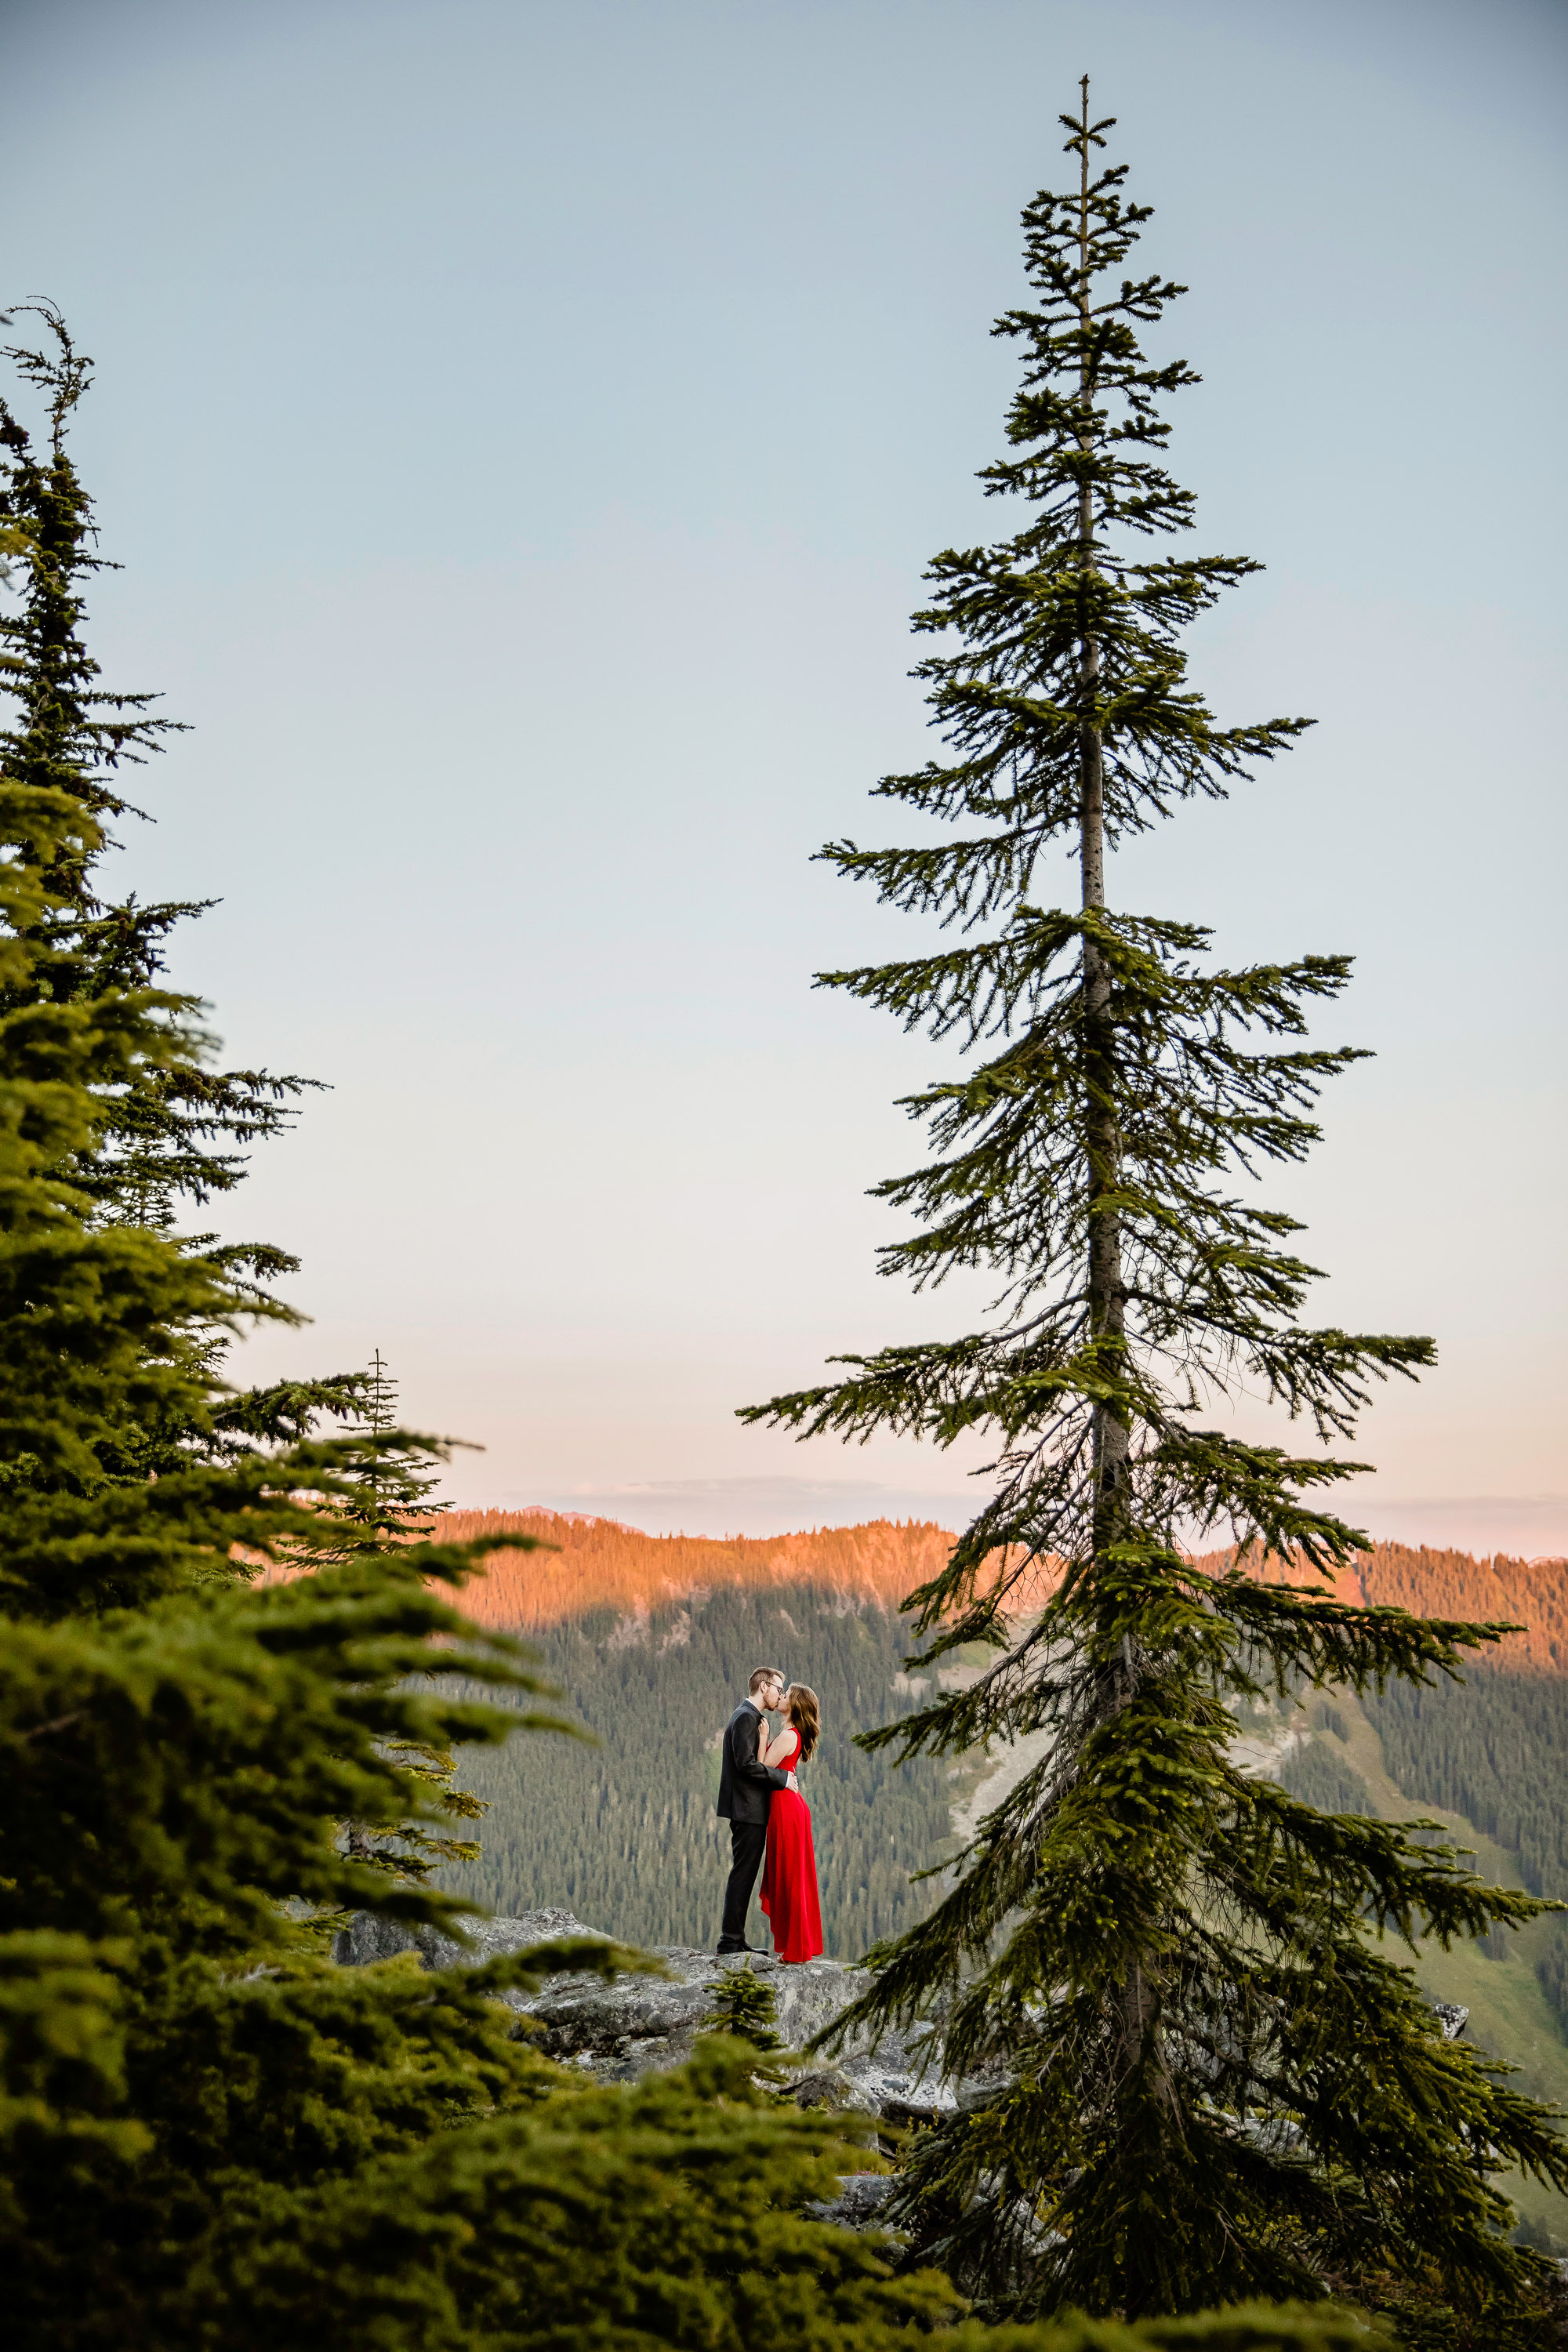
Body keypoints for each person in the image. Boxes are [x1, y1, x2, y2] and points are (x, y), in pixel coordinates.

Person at [715, 1666, 796, 1954]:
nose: (779, 1695)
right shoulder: (746, 1717)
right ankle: (730, 1941)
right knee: (743, 1872)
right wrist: (783, 1779)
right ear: (764, 1687)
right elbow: (746, 1765)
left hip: (748, 1810)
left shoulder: (749, 1717)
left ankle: (734, 1938)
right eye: (777, 1689)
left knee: (745, 1873)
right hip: (747, 1810)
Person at [757, 1682, 823, 1964]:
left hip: (786, 1809)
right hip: (789, 1806)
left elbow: (762, 1766)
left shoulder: (787, 1736)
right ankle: (796, 1943)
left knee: (790, 1875)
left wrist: (764, 1737)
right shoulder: (794, 1735)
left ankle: (796, 1947)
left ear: (794, 1706)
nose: (780, 1697)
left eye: (785, 1695)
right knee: (792, 1873)